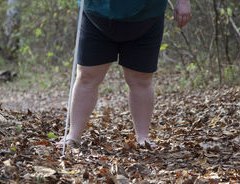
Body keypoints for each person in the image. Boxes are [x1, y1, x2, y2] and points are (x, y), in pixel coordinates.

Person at [60, 0, 191, 147]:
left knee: (141, 80)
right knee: (87, 76)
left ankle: (143, 139)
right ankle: (73, 136)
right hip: (96, 13)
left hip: (148, 15)